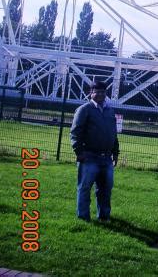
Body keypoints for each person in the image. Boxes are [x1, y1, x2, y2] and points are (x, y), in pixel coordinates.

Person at [70, 80, 119, 221]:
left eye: (103, 92)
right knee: (85, 188)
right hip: (89, 156)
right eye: (97, 91)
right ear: (90, 93)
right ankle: (83, 218)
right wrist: (79, 152)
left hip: (106, 158)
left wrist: (115, 153)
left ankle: (104, 217)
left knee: (105, 190)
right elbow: (75, 133)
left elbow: (113, 134)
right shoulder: (84, 110)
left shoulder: (110, 111)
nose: (100, 94)